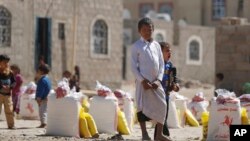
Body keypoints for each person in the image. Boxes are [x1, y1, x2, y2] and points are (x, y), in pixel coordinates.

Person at [130, 17, 171, 141]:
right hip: (143, 83)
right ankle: (144, 134)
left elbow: (161, 63)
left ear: (153, 30)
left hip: (156, 83)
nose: (148, 32)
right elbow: (133, 66)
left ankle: (159, 134)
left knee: (162, 105)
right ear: (139, 31)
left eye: (150, 29)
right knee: (142, 107)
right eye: (145, 30)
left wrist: (158, 80)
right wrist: (142, 81)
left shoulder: (156, 45)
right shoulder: (136, 46)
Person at [154, 42, 180, 140]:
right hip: (157, 96)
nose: (169, 52)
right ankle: (166, 136)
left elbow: (175, 80)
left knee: (163, 118)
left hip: (166, 96)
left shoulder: (171, 66)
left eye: (170, 51)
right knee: (161, 119)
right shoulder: (156, 65)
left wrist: (175, 86)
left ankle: (158, 137)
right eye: (167, 50)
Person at [0, 54, 16, 129]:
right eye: (4, 62)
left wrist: (10, 87)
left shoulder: (10, 72)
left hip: (8, 94)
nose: (6, 64)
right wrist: (1, 86)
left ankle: (11, 125)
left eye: (7, 62)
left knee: (9, 110)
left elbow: (14, 82)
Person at [35, 64, 51, 128]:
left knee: (42, 111)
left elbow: (41, 90)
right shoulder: (47, 79)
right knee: (44, 110)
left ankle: (43, 123)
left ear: (41, 71)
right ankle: (44, 123)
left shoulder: (42, 80)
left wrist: (39, 98)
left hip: (43, 98)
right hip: (46, 97)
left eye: (38, 70)